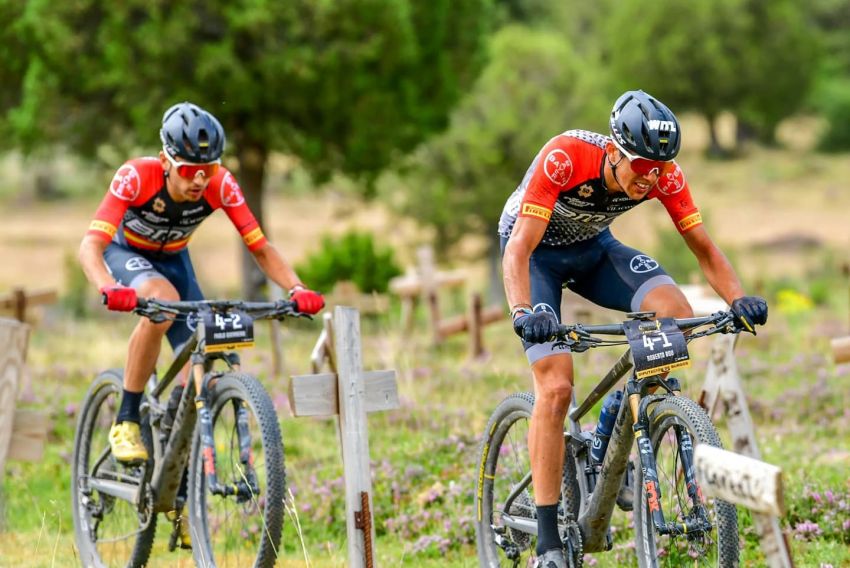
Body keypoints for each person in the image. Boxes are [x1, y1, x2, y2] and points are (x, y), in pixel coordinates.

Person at [498, 90, 767, 568]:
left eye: (658, 171)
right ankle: (547, 543)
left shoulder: (664, 172)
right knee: (557, 387)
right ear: (614, 152)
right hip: (535, 254)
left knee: (676, 316)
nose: (650, 180)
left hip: (594, 249)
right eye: (640, 168)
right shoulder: (566, 157)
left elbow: (703, 248)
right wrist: (524, 313)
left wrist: (737, 298)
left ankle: (621, 420)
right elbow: (519, 249)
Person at [79, 102, 325, 465]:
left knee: (206, 351)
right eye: (190, 170)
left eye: (208, 169)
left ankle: (176, 470)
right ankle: (126, 419)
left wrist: (297, 289)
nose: (199, 180)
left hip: (175, 260)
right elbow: (90, 245)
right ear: (165, 161)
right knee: (162, 302)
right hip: (125, 253)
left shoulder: (221, 184)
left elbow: (260, 248)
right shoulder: (136, 176)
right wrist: (107, 285)